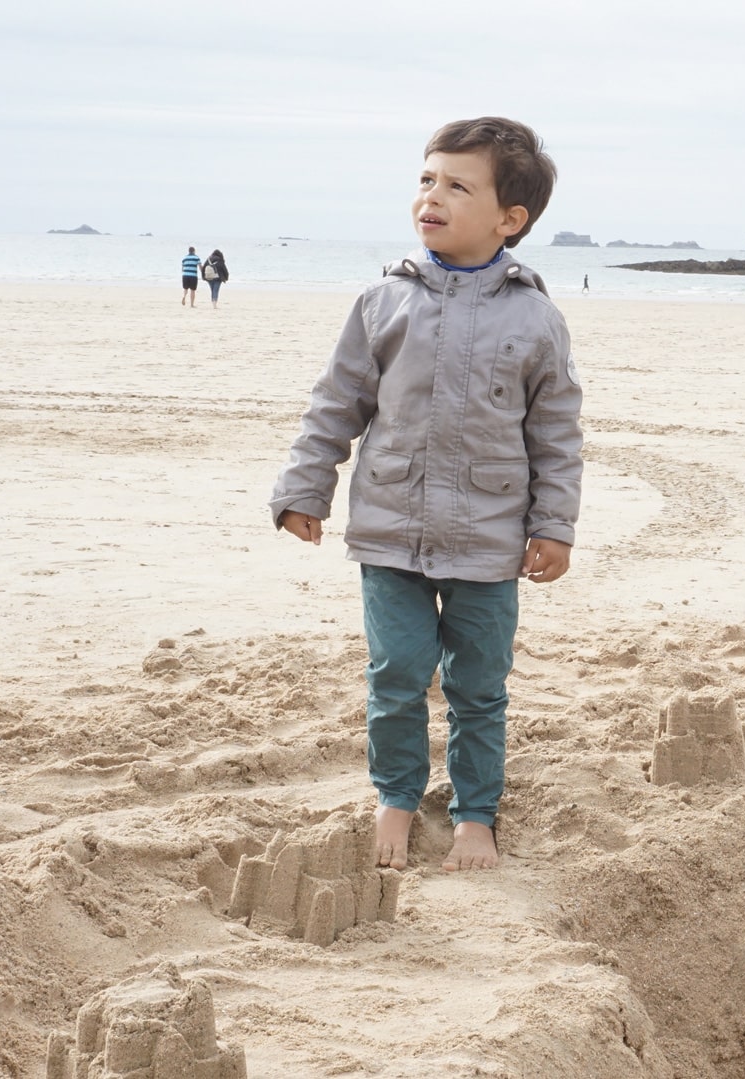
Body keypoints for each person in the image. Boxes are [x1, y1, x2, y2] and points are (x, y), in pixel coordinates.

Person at [270, 117, 582, 874]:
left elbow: (556, 432)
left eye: (456, 185)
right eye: (426, 179)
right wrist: (304, 488)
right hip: (390, 529)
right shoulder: (384, 302)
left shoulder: (537, 316)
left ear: (510, 219)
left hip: (488, 539)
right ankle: (399, 796)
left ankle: (476, 812)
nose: (431, 197)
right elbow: (335, 404)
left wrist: (554, 526)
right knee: (397, 672)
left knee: (480, 685)